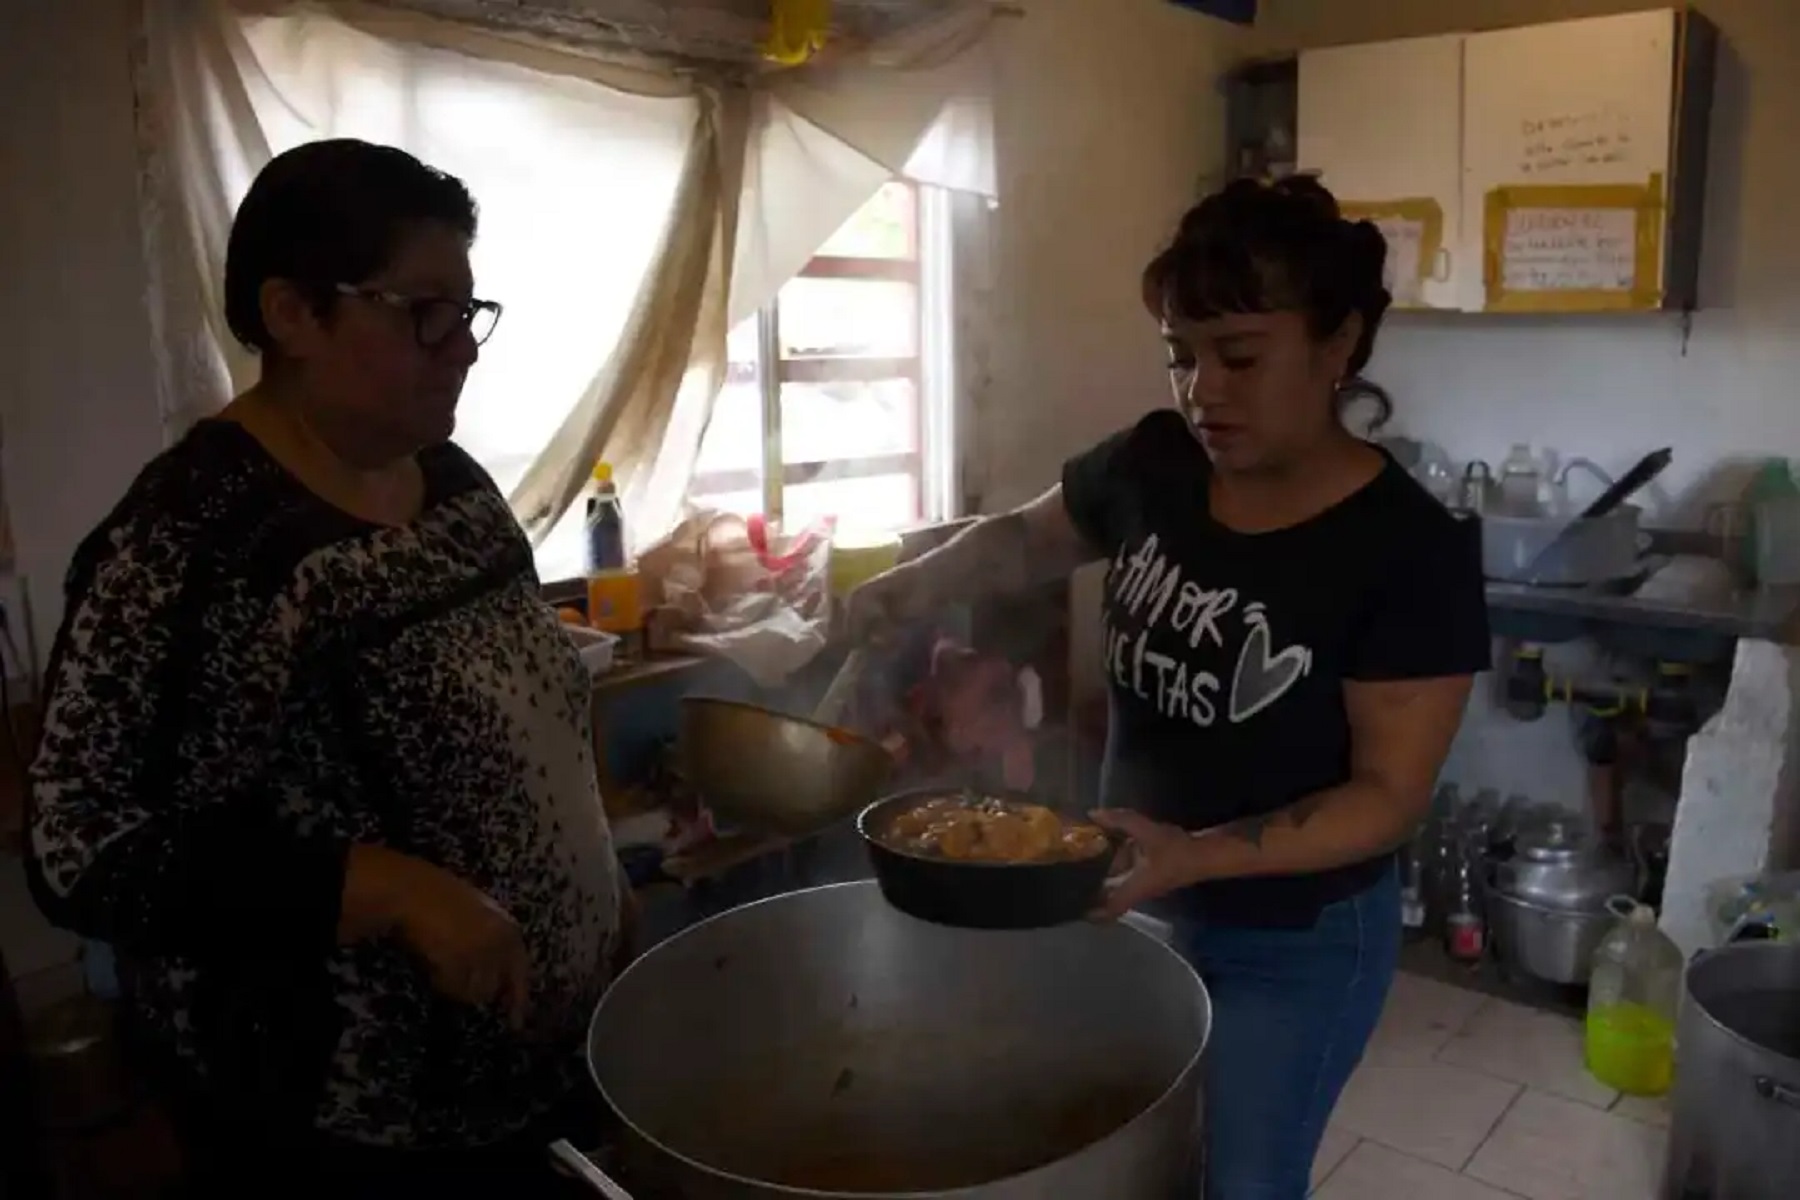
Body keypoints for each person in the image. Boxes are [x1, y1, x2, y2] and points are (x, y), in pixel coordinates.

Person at [846, 175, 1489, 1199]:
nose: (1204, 391)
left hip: (1296, 939)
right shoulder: (1156, 466)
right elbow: (1021, 540)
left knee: (1241, 1182)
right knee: (1124, 1161)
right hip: (1128, 898)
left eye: (1239, 356)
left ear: (1338, 346)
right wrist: (903, 589)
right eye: (1182, 357)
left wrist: (1194, 857)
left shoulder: (1410, 552)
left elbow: (1387, 797)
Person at [26, 139, 631, 1197]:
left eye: (470, 312)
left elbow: (535, 694)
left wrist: (601, 869)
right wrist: (387, 890)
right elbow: (79, 845)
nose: (465, 350)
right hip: (353, 1128)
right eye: (426, 313)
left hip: (528, 1068)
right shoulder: (191, 543)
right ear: (294, 315)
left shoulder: (448, 480)